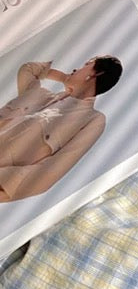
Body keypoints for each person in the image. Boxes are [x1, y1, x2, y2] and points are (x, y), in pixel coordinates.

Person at [0, 56, 122, 202]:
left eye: (86, 64)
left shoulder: (93, 120)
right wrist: (64, 78)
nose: (76, 69)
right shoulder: (41, 96)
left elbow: (47, 174)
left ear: (97, 74)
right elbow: (28, 69)